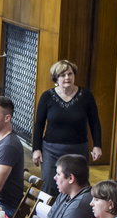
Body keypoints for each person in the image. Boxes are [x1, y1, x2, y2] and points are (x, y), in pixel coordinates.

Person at [32, 60, 103, 196]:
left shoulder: (86, 96)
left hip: (77, 149)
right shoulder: (47, 96)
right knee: (49, 186)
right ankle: (48, 216)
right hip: (51, 150)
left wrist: (97, 145)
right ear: (56, 78)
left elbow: (94, 122)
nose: (67, 78)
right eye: (62, 75)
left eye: (70, 74)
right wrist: (36, 149)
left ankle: (72, 215)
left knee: (77, 187)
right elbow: (39, 124)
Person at [28, 154, 95, 218]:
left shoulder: (79, 207)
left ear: (71, 178)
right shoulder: (65, 193)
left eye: (58, 174)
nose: (55, 178)